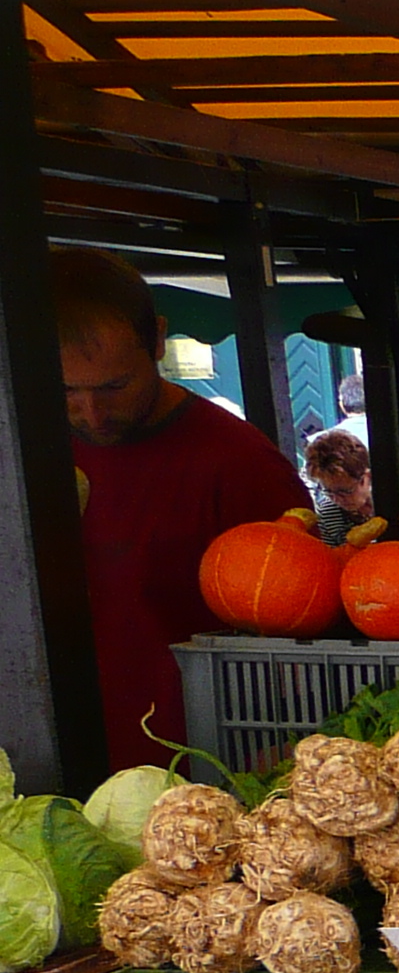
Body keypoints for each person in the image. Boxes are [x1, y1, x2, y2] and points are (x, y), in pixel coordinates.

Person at [60, 248, 312, 771]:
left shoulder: (239, 463)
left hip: (195, 765)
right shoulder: (22, 449)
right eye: (65, 391)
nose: (92, 413)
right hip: (44, 759)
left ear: (156, 338)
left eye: (113, 387)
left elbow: (295, 629)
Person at [304, 429, 374, 544]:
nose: (337, 499)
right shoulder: (327, 514)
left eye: (345, 491)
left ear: (367, 477)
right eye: (328, 492)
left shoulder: (390, 504)